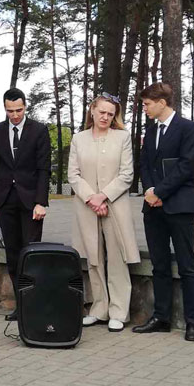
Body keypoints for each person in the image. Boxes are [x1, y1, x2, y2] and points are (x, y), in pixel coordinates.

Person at [133, 82, 194, 342]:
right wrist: (151, 191)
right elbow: (145, 164)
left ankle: (192, 322)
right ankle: (161, 318)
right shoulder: (151, 131)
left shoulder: (187, 128)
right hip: (153, 208)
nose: (145, 109)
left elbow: (186, 167)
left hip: (180, 206)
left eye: (147, 104)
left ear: (162, 103)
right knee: (159, 265)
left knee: (186, 266)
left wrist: (160, 192)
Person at [68, 93, 140, 332]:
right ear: (92, 110)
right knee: (93, 257)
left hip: (115, 205)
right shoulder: (79, 139)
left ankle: (119, 311)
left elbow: (127, 174)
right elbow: (73, 175)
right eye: (102, 112)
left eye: (110, 114)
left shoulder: (122, 137)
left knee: (118, 257)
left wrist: (103, 196)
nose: (105, 117)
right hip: (86, 206)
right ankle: (98, 308)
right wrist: (91, 198)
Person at [0, 87, 51, 321]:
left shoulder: (39, 131)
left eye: (19, 110)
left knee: (30, 254)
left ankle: (34, 305)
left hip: (31, 202)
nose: (15, 115)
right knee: (13, 255)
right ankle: (20, 306)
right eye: (10, 111)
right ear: (4, 109)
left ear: (25, 107)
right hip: (6, 201)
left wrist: (41, 202)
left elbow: (44, 169)